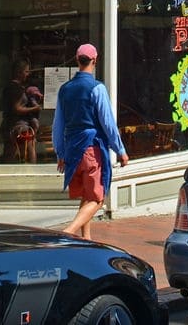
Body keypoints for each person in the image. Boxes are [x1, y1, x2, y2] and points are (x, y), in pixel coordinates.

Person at [52, 43, 127, 240]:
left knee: (86, 195)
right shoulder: (97, 88)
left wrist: (60, 153)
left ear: (77, 60)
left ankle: (86, 239)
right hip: (92, 149)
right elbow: (108, 122)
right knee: (97, 198)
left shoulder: (64, 89)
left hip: (72, 150)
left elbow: (58, 125)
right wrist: (120, 149)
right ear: (95, 60)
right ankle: (69, 231)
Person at [0, 59, 42, 163]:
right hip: (18, 126)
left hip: (12, 125)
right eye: (26, 71)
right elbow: (17, 108)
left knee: (11, 152)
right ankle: (32, 173)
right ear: (19, 72)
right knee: (28, 150)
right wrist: (35, 108)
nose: (28, 74)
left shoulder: (12, 87)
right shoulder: (15, 88)